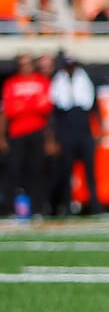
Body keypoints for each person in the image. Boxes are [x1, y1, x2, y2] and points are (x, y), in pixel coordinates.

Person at [3, 54, 54, 220]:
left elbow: (46, 108)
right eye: (22, 63)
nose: (26, 66)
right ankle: (9, 209)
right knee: (14, 171)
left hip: (37, 132)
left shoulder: (42, 81)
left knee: (36, 171)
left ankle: (38, 208)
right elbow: (9, 110)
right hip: (17, 133)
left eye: (28, 63)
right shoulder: (11, 83)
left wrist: (50, 139)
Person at [49, 53, 98, 215]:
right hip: (67, 131)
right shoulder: (59, 82)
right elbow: (55, 113)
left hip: (84, 130)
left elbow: (93, 106)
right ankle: (67, 205)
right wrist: (54, 138)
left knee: (90, 170)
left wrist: (99, 129)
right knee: (66, 170)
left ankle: (95, 205)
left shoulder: (85, 80)